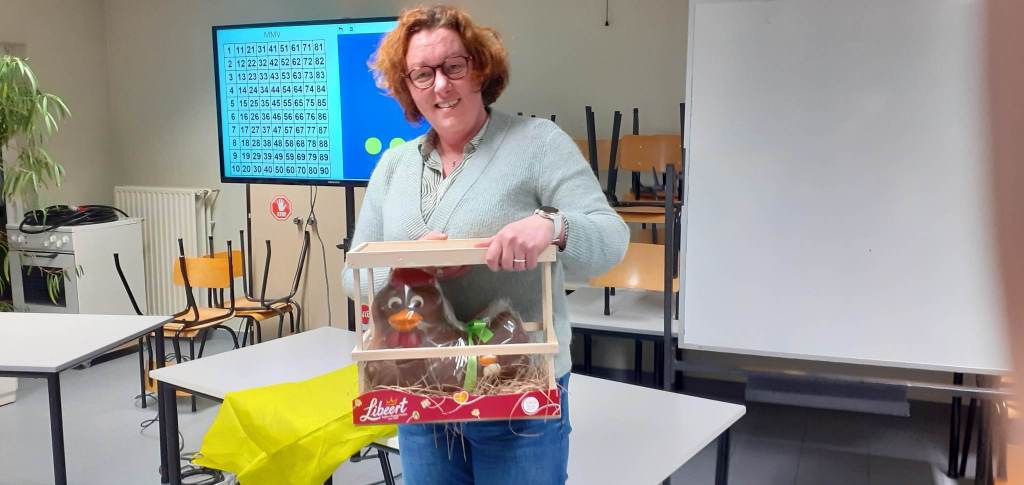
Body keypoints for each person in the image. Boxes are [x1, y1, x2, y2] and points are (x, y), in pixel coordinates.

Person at [341, 4, 629, 484]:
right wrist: (410, 269)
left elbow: (611, 238)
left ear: (480, 67)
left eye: (454, 66)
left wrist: (552, 225)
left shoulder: (538, 143)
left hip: (517, 397)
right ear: (408, 86)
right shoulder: (392, 167)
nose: (441, 85)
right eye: (422, 73)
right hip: (422, 395)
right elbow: (354, 277)